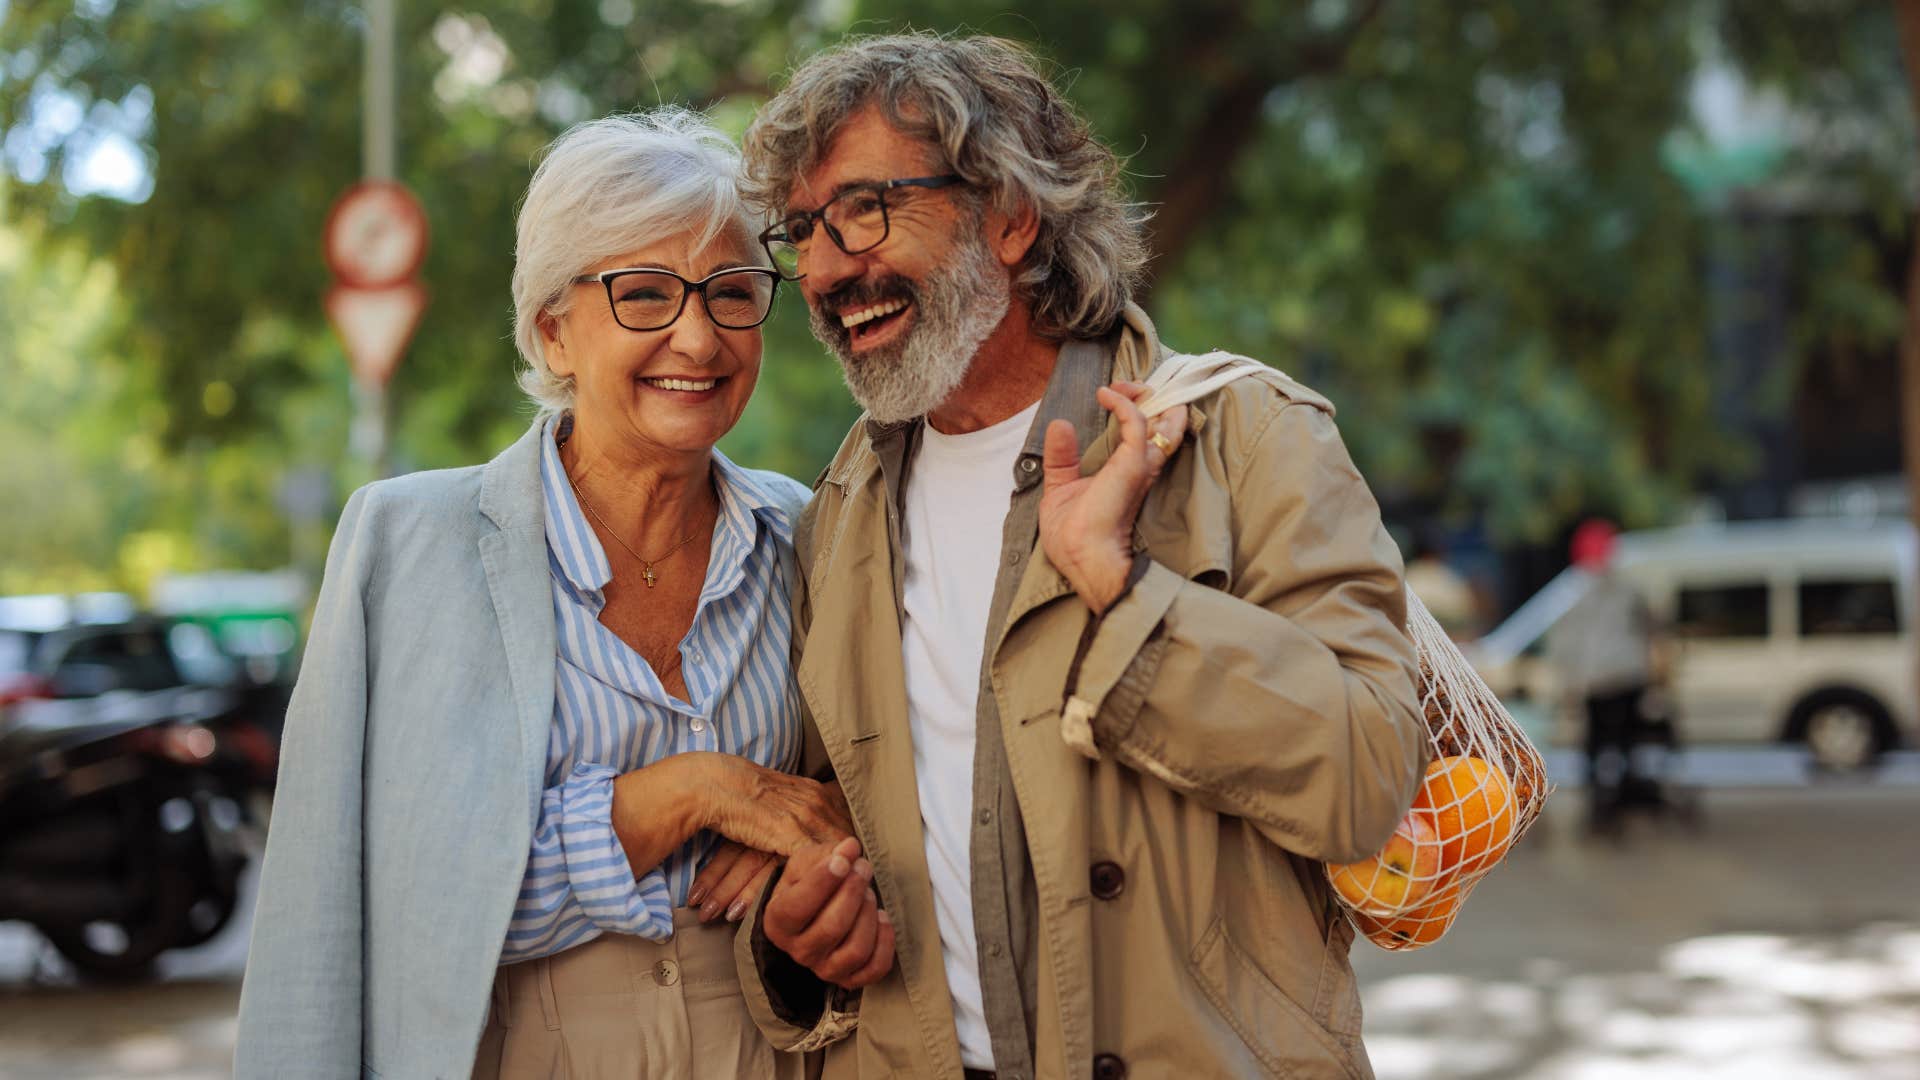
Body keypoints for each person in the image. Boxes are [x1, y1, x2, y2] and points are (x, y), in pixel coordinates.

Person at [704, 33, 1429, 1079]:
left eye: (866, 210)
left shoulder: (1251, 436)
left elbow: (1367, 779)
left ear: (1009, 215)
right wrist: (796, 939)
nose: (823, 269)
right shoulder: (838, 515)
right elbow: (840, 848)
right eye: (805, 230)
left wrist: (1124, 595)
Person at [234, 109, 858, 1079]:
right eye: (645, 294)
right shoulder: (405, 546)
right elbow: (339, 908)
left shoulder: (809, 537)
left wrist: (835, 823)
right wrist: (700, 791)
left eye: (733, 292)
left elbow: (886, 794)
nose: (698, 336)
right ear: (553, 331)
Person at [1547, 518, 1661, 835]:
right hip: (1611, 681)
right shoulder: (1602, 590)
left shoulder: (1589, 591)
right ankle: (1606, 804)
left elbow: (1565, 645)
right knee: (1608, 747)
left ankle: (1611, 803)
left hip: (1612, 681)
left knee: (1607, 746)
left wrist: (1569, 683)